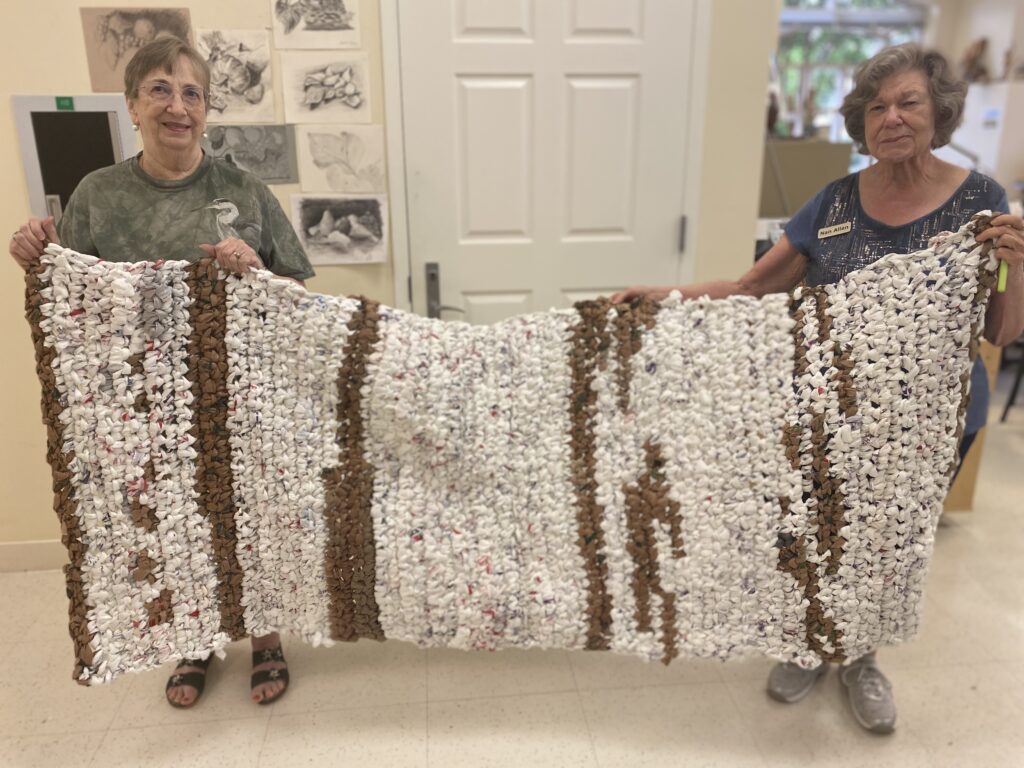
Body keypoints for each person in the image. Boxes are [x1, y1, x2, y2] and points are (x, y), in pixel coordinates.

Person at [613, 43, 1024, 734]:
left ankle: (860, 655)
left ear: (939, 112)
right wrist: (660, 295)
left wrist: (1020, 267)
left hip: (925, 431)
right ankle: (807, 643)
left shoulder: (982, 203)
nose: (891, 117)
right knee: (812, 535)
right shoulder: (833, 202)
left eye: (908, 102)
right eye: (876, 106)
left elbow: (1001, 333)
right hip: (825, 418)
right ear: (859, 121)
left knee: (886, 549)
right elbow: (750, 286)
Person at [9, 35, 315, 708]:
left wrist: (257, 271)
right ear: (132, 104)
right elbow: (70, 292)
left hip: (242, 396)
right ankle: (195, 638)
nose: (177, 106)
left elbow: (297, 293)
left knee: (251, 518)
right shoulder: (99, 194)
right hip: (141, 404)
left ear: (206, 110)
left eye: (192, 93)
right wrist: (32, 251)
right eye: (160, 89)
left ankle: (265, 638)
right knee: (173, 520)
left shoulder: (244, 189)